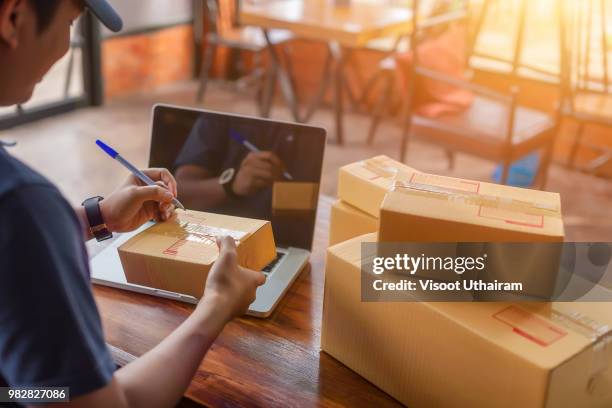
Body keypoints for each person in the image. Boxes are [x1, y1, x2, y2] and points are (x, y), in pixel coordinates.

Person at [0, 1, 265, 407]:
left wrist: (98, 217)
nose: (65, 48)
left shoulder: (21, 210)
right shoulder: (23, 205)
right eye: (71, 23)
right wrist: (215, 307)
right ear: (13, 18)